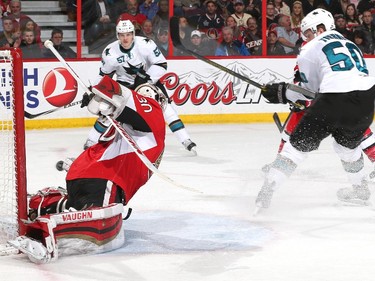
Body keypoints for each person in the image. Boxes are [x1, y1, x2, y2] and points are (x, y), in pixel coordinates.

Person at [6, 76, 167, 264]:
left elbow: (119, 108)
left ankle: (40, 204)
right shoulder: (153, 112)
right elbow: (111, 87)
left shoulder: (128, 125)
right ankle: (46, 232)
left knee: (77, 205)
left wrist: (98, 99)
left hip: (81, 174)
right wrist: (99, 93)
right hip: (103, 179)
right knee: (102, 219)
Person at [256, 8, 375, 210]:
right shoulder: (349, 43)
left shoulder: (309, 50)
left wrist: (281, 92)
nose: (307, 38)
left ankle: (266, 193)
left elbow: (307, 92)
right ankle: (359, 189)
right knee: (347, 146)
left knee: (295, 148)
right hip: (367, 98)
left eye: (309, 33)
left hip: (335, 100)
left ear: (320, 29)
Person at [85, 20, 197, 154]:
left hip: (149, 82)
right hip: (124, 86)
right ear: (117, 35)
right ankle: (91, 141)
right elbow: (104, 75)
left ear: (133, 34)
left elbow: (161, 64)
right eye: (122, 35)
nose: (125, 38)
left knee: (166, 108)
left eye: (128, 34)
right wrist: (92, 91)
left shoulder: (146, 44)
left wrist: (147, 79)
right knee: (110, 111)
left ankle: (186, 140)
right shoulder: (110, 52)